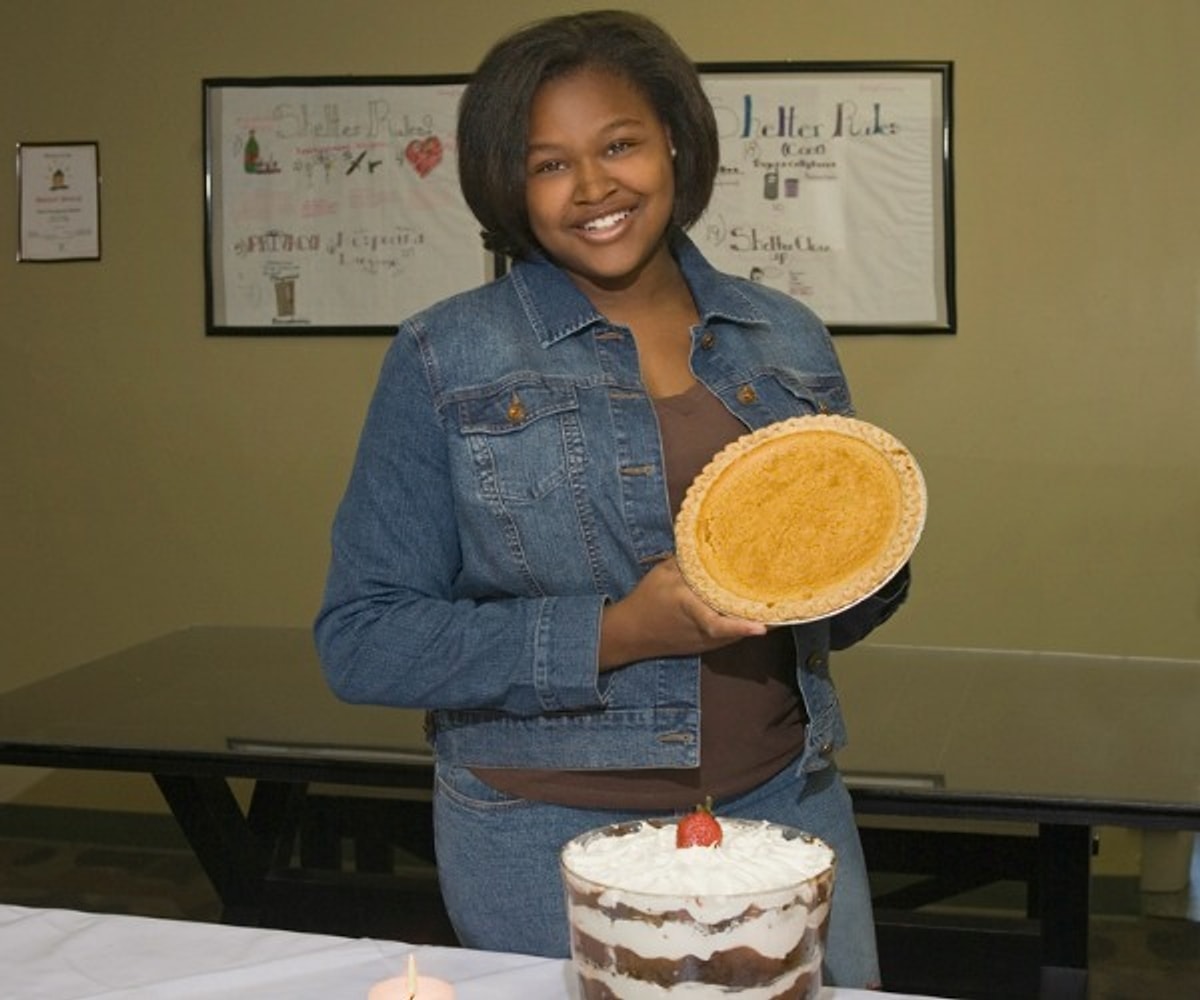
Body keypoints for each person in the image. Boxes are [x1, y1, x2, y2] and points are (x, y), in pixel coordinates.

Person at [314, 9, 909, 989]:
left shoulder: (786, 336)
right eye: (549, 164)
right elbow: (365, 638)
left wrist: (863, 552)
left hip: (785, 805)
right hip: (544, 829)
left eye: (620, 144)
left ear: (673, 140)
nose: (593, 187)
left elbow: (840, 610)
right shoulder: (442, 355)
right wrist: (622, 630)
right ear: (509, 184)